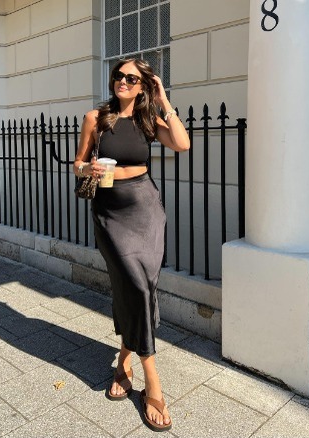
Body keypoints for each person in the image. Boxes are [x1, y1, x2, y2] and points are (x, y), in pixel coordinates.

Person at [73, 59, 190, 432]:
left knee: (142, 286)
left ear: (142, 86)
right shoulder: (96, 117)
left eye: (131, 78)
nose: (122, 81)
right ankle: (152, 381)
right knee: (136, 285)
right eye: (118, 76)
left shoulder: (147, 121)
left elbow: (183, 144)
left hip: (145, 207)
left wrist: (163, 100)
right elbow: (77, 163)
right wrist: (85, 169)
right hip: (109, 209)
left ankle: (124, 359)